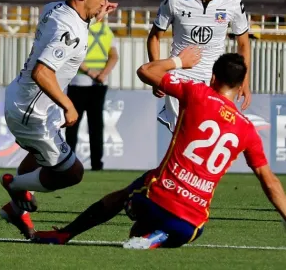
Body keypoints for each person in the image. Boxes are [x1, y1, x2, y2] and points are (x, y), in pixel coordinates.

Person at [33, 49, 286, 248]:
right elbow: (270, 181)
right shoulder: (247, 129)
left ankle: (66, 233)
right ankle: (159, 237)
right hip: (190, 226)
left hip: (154, 201)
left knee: (126, 197)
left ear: (212, 78)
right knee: (184, 227)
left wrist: (179, 61)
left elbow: (145, 71)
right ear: (241, 86)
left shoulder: (197, 93)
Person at [0, 0, 117, 239]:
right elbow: (43, 71)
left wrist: (95, 16)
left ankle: (17, 209)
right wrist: (68, 103)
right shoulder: (72, 33)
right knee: (72, 173)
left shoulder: (55, 7)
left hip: (24, 99)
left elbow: (74, 21)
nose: (105, 2)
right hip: (33, 112)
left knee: (40, 157)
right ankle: (15, 187)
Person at [148, 0, 252, 133]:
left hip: (215, 82)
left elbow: (243, 44)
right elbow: (154, 37)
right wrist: (158, 76)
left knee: (209, 138)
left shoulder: (233, 1)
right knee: (184, 138)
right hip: (181, 78)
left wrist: (244, 80)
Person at [65, 21, 119, 171]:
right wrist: (103, 74)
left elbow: (73, 55)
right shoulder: (106, 30)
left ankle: (69, 163)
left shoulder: (80, 29)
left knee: (72, 125)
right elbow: (114, 56)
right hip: (99, 84)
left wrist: (90, 72)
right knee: (96, 126)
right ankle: (97, 164)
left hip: (79, 83)